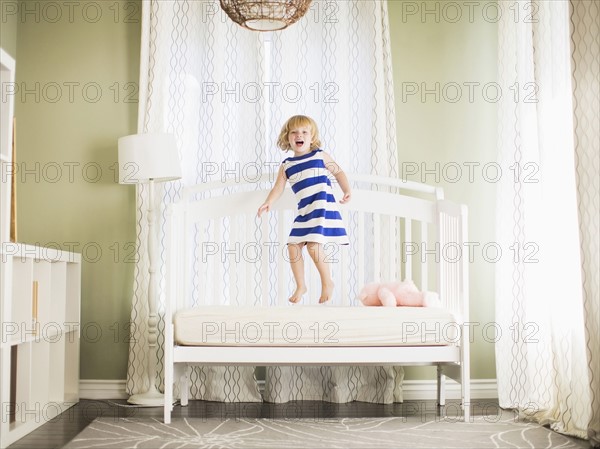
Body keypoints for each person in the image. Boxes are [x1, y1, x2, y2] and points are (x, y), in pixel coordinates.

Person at [257, 115, 351, 304]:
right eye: (294, 132)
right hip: (305, 210)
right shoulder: (287, 165)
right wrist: (269, 202)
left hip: (321, 205)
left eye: (304, 132)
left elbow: (338, 171)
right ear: (288, 137)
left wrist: (346, 189)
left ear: (312, 137)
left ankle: (327, 282)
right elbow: (278, 188)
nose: (299, 135)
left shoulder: (320, 155)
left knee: (314, 246)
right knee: (293, 246)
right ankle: (301, 285)